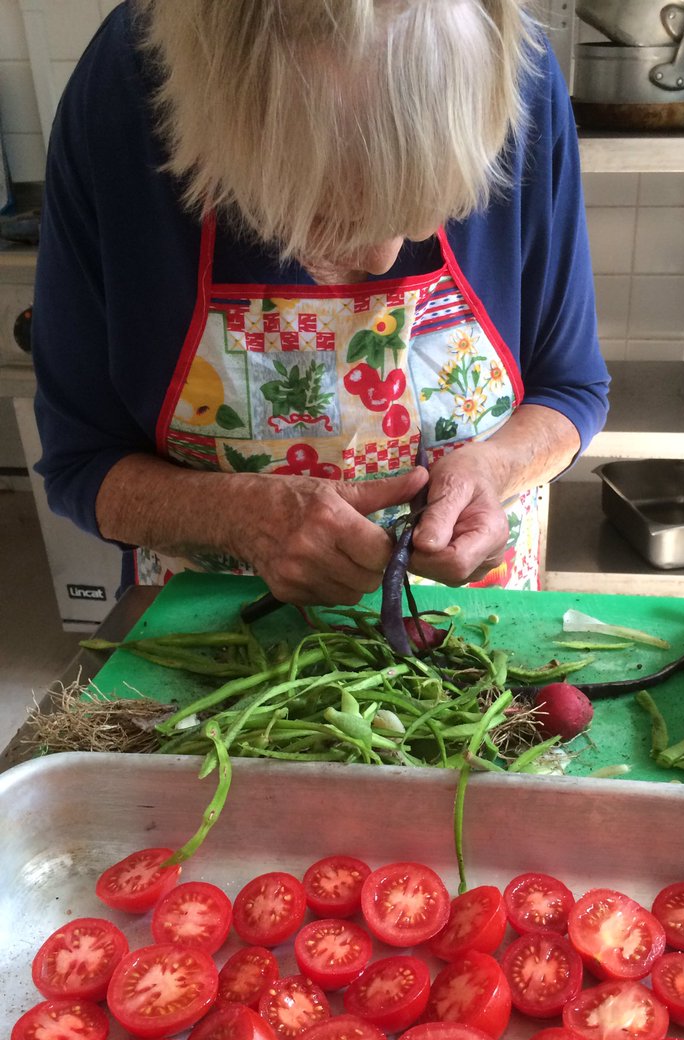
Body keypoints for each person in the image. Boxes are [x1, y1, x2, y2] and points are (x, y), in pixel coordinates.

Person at [32, 0, 610, 607]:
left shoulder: (512, 67)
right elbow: (81, 461)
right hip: (214, 632)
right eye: (334, 216)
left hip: (479, 621)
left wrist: (495, 467)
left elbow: (571, 388)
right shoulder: (127, 86)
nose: (386, 258)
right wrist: (235, 516)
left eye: (427, 210)